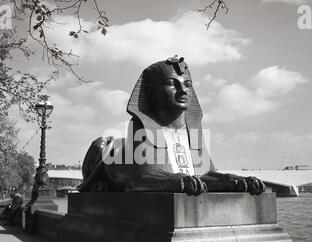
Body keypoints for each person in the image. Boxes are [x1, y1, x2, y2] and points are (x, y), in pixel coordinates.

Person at [78, 56, 266, 196]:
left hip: (174, 180)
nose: (183, 90)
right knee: (101, 144)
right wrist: (175, 179)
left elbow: (203, 175)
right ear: (150, 91)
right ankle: (94, 181)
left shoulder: (193, 130)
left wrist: (231, 181)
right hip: (117, 167)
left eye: (188, 84)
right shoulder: (141, 126)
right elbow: (139, 180)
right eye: (171, 83)